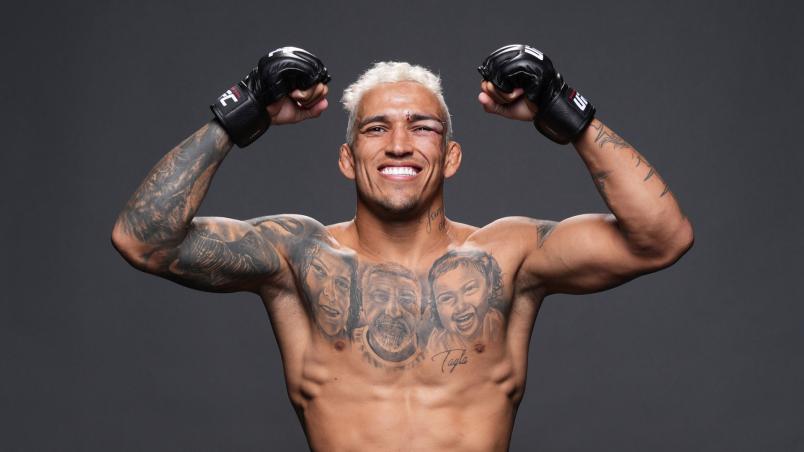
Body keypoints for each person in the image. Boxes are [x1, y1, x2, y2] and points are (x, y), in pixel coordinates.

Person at [111, 45, 693, 451]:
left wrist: (565, 109)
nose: (398, 145)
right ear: (347, 159)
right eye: (375, 128)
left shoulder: (508, 255)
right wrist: (240, 113)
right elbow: (143, 240)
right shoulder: (298, 256)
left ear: (452, 156)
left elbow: (661, 238)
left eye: (423, 127)